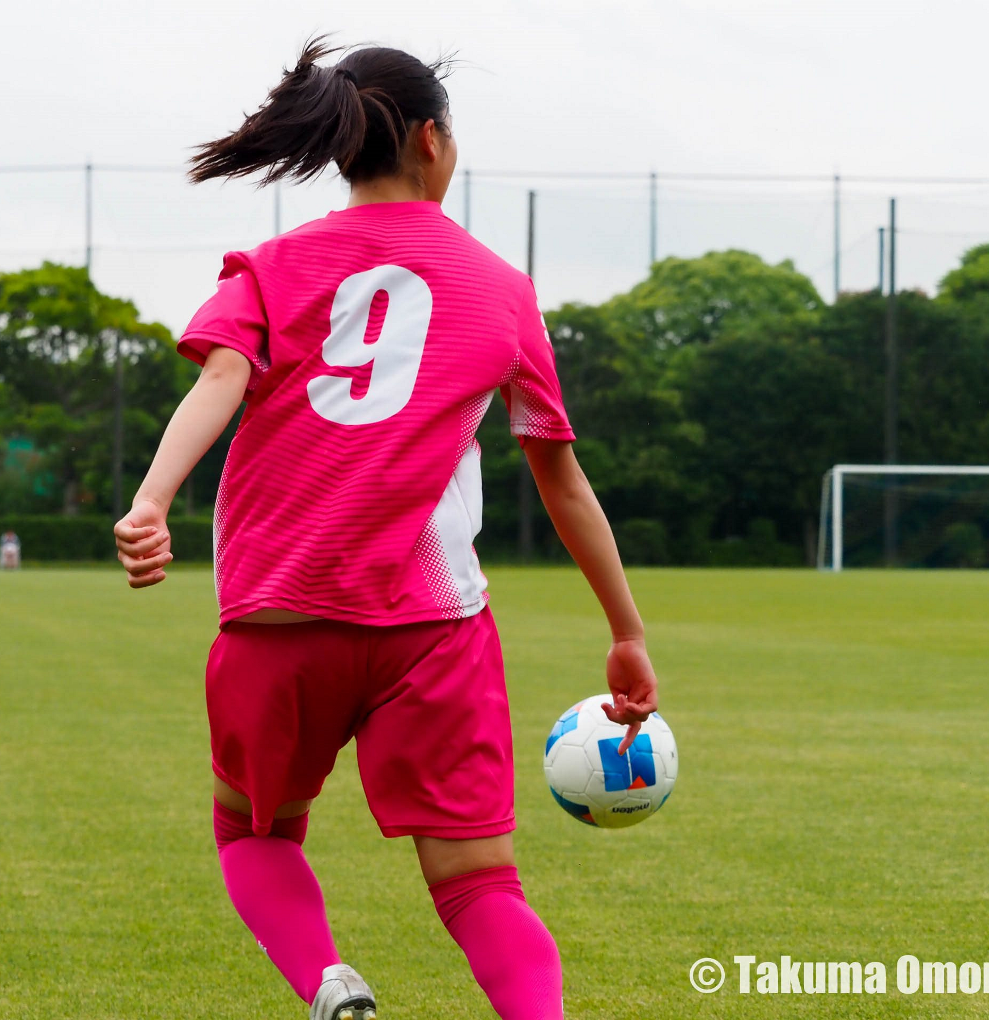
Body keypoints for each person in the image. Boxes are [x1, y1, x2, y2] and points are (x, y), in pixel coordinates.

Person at [113, 37, 659, 1020]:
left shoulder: (275, 267)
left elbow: (221, 378)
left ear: (341, 146)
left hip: (280, 621)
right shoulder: (501, 291)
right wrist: (624, 630)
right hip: (432, 630)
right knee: (479, 883)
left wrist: (152, 501)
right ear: (431, 140)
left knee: (255, 835)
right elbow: (560, 479)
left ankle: (326, 983)